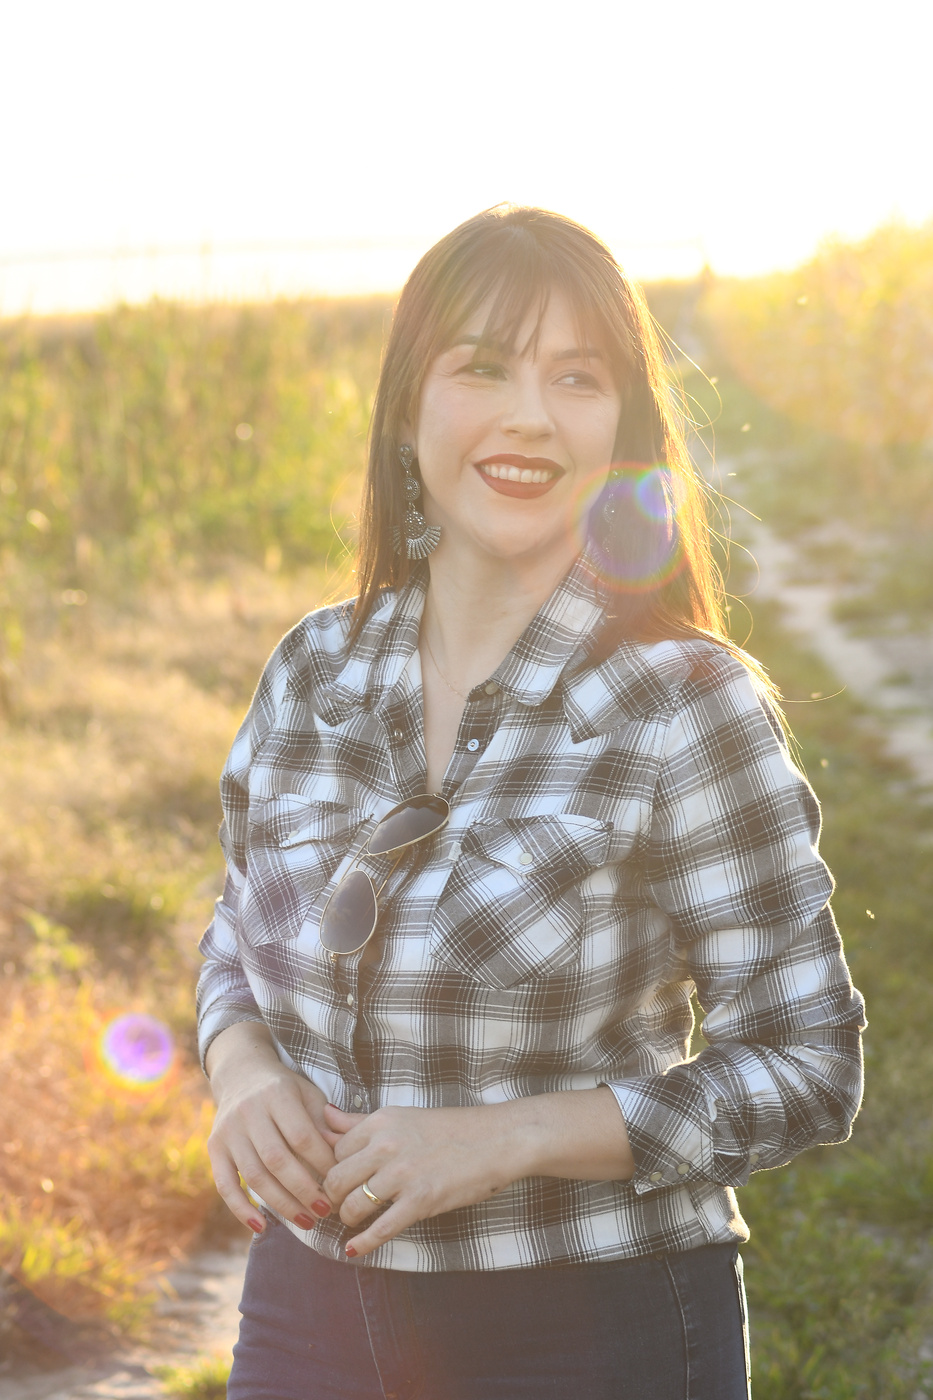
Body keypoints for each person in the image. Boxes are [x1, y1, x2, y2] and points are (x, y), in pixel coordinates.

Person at [198, 206, 865, 1400]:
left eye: (577, 377)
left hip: (585, 1322)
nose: (530, 415)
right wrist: (243, 1069)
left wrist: (511, 1136)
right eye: (483, 367)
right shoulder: (311, 670)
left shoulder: (684, 704)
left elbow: (807, 1060)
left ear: (621, 429)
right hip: (307, 1311)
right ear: (407, 407)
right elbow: (238, 931)